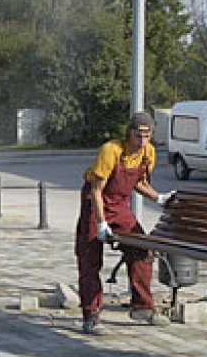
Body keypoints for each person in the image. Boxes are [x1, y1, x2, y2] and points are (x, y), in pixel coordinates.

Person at [74, 111, 173, 335]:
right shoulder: (111, 151)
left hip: (120, 207)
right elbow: (96, 190)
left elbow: (139, 182)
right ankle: (91, 315)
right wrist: (101, 223)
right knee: (90, 260)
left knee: (142, 249)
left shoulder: (148, 153)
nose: (142, 141)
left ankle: (143, 307)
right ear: (129, 133)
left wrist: (158, 198)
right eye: (138, 135)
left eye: (147, 135)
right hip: (95, 204)